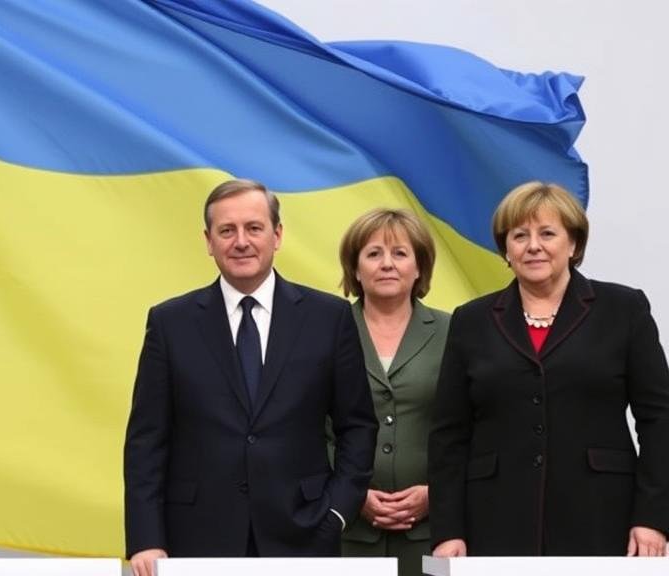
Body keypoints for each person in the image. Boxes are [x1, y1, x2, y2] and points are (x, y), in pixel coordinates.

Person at [123, 178, 378, 576]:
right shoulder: (170, 323)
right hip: (197, 539)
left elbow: (358, 427)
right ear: (209, 241)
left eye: (254, 228)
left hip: (304, 536)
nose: (241, 241)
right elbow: (146, 441)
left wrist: (337, 514)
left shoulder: (328, 318)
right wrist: (146, 539)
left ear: (277, 235)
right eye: (227, 230)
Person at [429, 181, 669, 557]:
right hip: (494, 520)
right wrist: (447, 530)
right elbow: (449, 434)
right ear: (506, 249)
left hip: (602, 516)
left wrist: (653, 517)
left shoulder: (624, 309)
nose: (533, 246)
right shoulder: (470, 320)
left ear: (573, 244)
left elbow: (659, 419)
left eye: (547, 233)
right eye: (519, 235)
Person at [333, 209, 449, 576]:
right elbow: (306, 425)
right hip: (346, 533)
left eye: (400, 253)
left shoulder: (456, 331)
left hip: (434, 536)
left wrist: (437, 493)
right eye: (373, 254)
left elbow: (471, 426)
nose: (387, 264)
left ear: (420, 267)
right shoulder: (323, 329)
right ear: (354, 268)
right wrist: (353, 494)